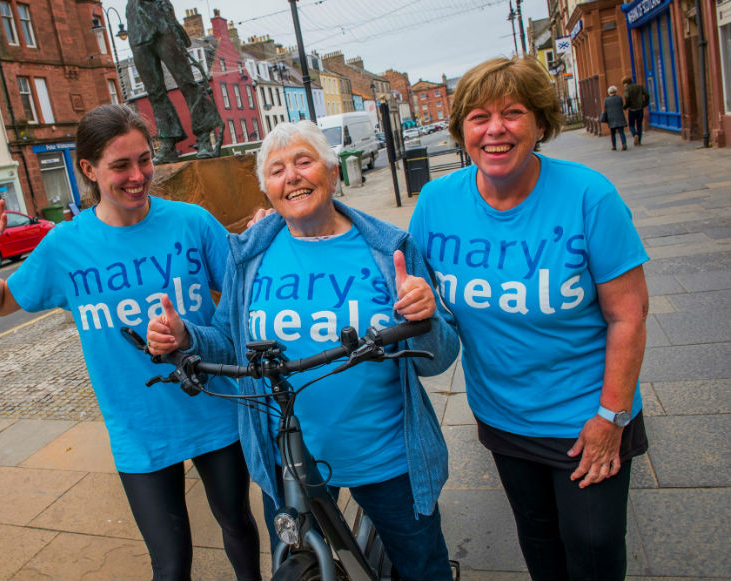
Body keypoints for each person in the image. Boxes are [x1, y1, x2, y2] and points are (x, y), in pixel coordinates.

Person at [0, 104, 260, 581]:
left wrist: (265, 235)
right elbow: (0, 302)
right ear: (88, 169)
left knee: (238, 525)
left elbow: (245, 288)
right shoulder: (64, 245)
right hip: (138, 426)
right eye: (120, 165)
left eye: (144, 160)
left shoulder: (190, 222)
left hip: (212, 407)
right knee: (171, 562)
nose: (137, 176)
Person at [147, 120, 460, 581]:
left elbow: (443, 356)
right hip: (289, 461)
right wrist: (186, 337)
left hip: (387, 456)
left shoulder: (388, 249)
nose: (291, 176)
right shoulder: (249, 257)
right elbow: (230, 342)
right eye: (276, 170)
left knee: (422, 568)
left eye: (303, 161)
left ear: (333, 173)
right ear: (266, 190)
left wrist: (424, 318)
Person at [409, 56, 649, 581]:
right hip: (503, 414)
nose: (495, 129)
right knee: (538, 539)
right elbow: (394, 269)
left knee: (593, 545)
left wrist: (610, 418)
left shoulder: (589, 195)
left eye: (512, 113)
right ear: (462, 131)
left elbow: (628, 316)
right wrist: (284, 225)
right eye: (478, 116)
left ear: (540, 123)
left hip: (589, 414)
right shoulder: (436, 201)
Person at [126, 0, 222, 162]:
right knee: (154, 92)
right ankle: (168, 142)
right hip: (136, 25)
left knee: (186, 83)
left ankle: (203, 137)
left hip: (161, 19)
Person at [623, 77, 649, 146]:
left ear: (626, 83)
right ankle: (639, 141)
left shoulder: (627, 89)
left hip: (632, 109)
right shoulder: (639, 86)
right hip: (640, 109)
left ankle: (635, 134)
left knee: (631, 124)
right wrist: (645, 103)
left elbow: (627, 97)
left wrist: (626, 106)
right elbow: (646, 94)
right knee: (639, 125)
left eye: (624, 84)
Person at [602, 85, 628, 151]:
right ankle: (624, 144)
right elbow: (621, 105)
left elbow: (605, 109)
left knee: (612, 133)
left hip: (611, 118)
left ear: (609, 92)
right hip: (619, 117)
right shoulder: (619, 98)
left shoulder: (606, 100)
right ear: (615, 91)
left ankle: (614, 146)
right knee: (621, 132)